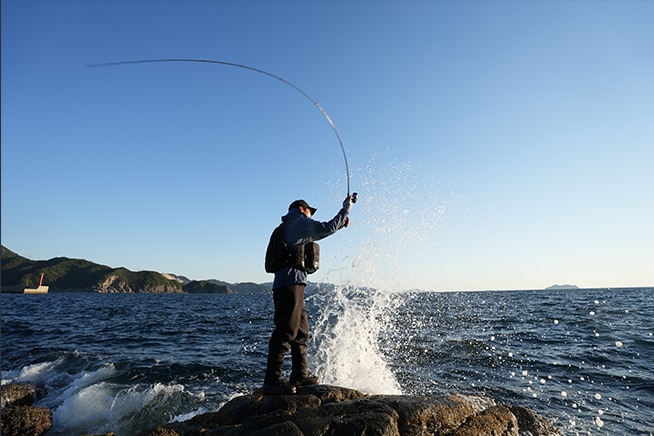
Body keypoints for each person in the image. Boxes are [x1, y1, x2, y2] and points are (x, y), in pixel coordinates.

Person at [263, 196, 354, 395]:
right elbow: (325, 228)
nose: (311, 216)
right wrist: (345, 210)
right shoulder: (298, 222)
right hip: (290, 284)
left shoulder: (289, 226)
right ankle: (272, 380)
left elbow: (326, 229)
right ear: (303, 209)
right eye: (310, 212)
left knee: (301, 331)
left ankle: (300, 375)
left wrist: (339, 224)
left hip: (291, 284)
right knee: (286, 330)